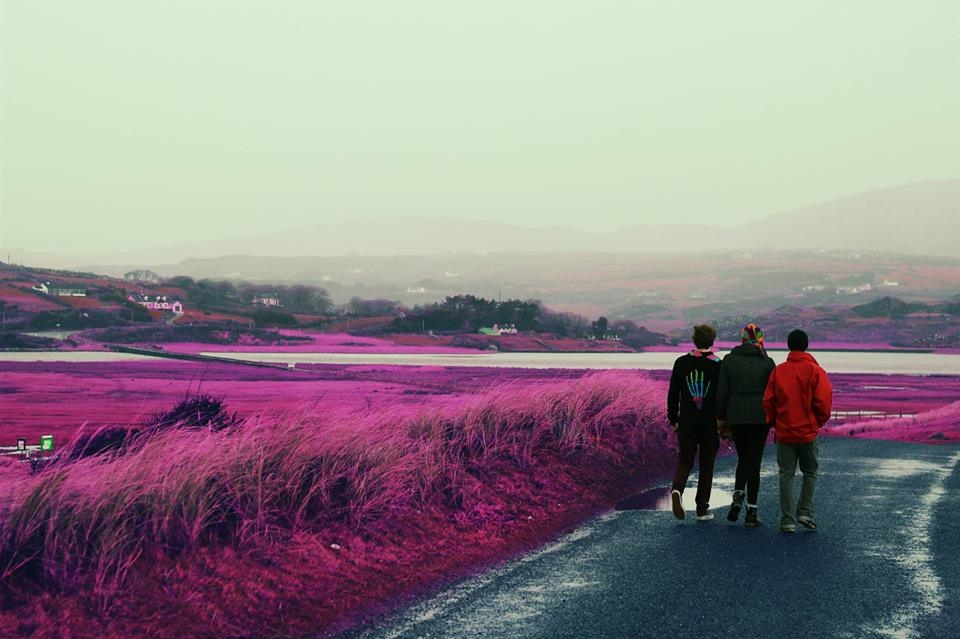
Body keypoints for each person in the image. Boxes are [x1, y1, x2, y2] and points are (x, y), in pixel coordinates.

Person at [763, 329, 833, 533]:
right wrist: (816, 422)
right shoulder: (816, 371)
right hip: (808, 433)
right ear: (806, 345)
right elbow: (823, 402)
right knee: (810, 472)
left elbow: (768, 401)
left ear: (788, 345)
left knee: (786, 474)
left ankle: (787, 520)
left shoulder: (779, 371)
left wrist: (775, 422)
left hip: (785, 433)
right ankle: (804, 511)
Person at [716, 322, 776, 527]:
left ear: (741, 340)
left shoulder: (729, 360)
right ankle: (751, 511)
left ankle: (737, 497)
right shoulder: (767, 363)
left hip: (736, 415)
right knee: (754, 462)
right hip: (760, 417)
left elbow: (721, 393)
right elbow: (773, 394)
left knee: (743, 458)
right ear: (760, 340)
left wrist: (721, 420)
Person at [667, 324, 721, 521]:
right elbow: (722, 396)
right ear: (712, 341)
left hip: (687, 421)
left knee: (685, 460)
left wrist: (673, 419)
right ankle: (702, 509)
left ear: (694, 340)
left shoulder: (681, 363)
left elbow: (673, 394)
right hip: (709, 422)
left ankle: (677, 490)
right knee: (707, 464)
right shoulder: (718, 365)